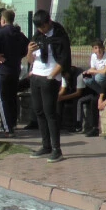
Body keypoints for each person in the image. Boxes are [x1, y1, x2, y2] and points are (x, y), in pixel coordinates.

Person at [26, 10, 71, 163]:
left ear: (48, 22)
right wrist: (29, 51)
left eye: (43, 27)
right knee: (38, 111)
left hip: (50, 76)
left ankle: (57, 149)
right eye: (38, 28)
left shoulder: (59, 34)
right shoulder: (38, 36)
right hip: (36, 76)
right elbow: (30, 60)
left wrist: (51, 76)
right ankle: (46, 146)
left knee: (50, 112)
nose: (41, 30)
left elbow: (64, 59)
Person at [0, 9, 28, 138]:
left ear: (3, 20)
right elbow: (27, 46)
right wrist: (18, 56)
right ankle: (11, 124)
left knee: (1, 98)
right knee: (11, 97)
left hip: (2, 70)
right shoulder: (19, 34)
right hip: (15, 69)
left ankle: (7, 129)